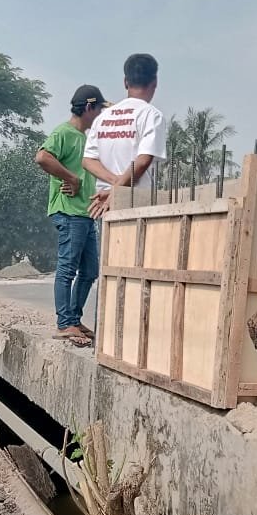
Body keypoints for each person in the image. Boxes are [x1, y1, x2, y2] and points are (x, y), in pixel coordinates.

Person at [34, 85, 109, 347]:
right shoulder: (64, 133)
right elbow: (42, 157)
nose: (99, 114)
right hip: (69, 212)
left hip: (85, 213)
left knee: (89, 270)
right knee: (67, 268)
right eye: (98, 109)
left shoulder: (85, 138)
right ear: (89, 108)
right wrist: (71, 178)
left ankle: (74, 319)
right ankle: (65, 322)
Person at [82, 53, 167, 219]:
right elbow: (142, 161)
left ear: (125, 82)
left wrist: (114, 187)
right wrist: (118, 190)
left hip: (105, 202)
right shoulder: (151, 115)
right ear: (155, 82)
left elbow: (88, 160)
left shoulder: (103, 117)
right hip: (137, 204)